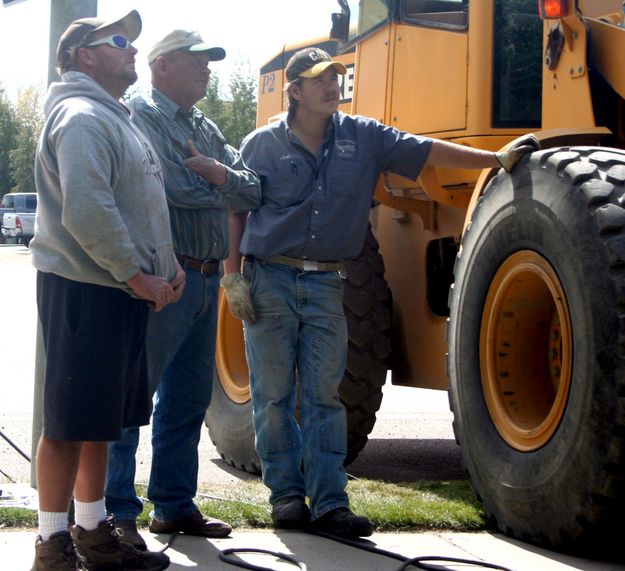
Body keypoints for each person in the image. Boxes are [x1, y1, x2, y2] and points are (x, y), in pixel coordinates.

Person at [221, 47, 536, 539]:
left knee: (326, 397)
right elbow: (236, 208)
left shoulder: (364, 137)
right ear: (296, 90)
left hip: (328, 282)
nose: (333, 85)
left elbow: (426, 149)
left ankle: (329, 503)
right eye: (320, 79)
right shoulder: (260, 145)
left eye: (337, 77)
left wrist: (492, 159)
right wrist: (232, 275)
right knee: (273, 395)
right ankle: (285, 496)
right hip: (270, 280)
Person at [30, 10, 183, 571]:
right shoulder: (80, 116)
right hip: (86, 288)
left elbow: (138, 207)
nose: (133, 50)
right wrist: (135, 273)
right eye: (120, 41)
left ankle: (93, 532)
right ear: (83, 56)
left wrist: (166, 267)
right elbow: (89, 210)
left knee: (101, 421)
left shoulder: (114, 118)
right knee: (69, 422)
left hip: (118, 289)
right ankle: (51, 544)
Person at [105, 29, 262, 549]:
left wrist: (218, 174)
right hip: (162, 279)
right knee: (132, 401)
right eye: (197, 60)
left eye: (210, 61)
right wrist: (224, 182)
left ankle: (172, 505)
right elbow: (174, 188)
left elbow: (254, 187)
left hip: (206, 276)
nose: (208, 69)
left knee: (188, 400)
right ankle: (115, 512)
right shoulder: (141, 114)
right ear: (161, 65)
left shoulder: (203, 124)